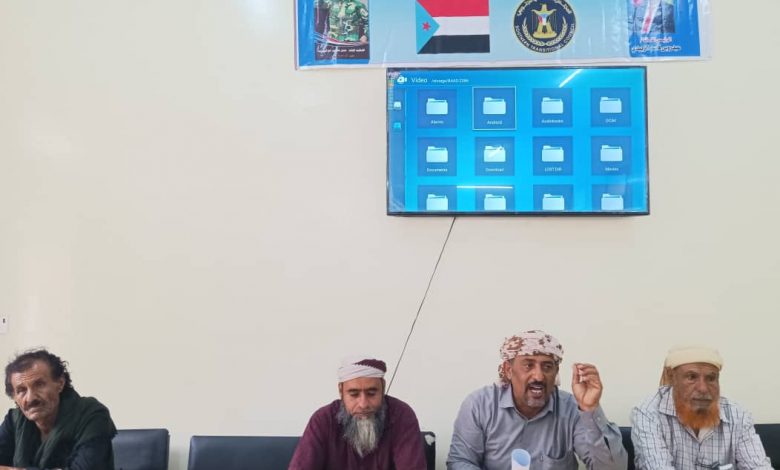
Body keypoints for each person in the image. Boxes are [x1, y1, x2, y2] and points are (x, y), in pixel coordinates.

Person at [447, 330, 627, 470]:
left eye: (547, 367)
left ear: (556, 373)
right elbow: (460, 462)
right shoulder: (480, 405)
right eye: (528, 365)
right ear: (508, 370)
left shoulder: (572, 408)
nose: (539, 376)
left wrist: (590, 409)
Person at [631, 346, 771, 470]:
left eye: (711, 378)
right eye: (691, 377)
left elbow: (759, 466)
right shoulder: (649, 414)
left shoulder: (737, 415)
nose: (703, 389)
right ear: (672, 377)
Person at [289, 355, 427, 470]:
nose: (363, 404)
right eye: (354, 394)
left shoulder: (402, 416)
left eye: (371, 393)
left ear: (383, 388)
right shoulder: (323, 420)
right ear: (341, 391)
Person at [0, 348, 117, 470]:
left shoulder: (91, 414)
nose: (30, 398)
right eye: (21, 390)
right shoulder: (14, 420)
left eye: (39, 385)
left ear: (60, 383)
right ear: (14, 397)